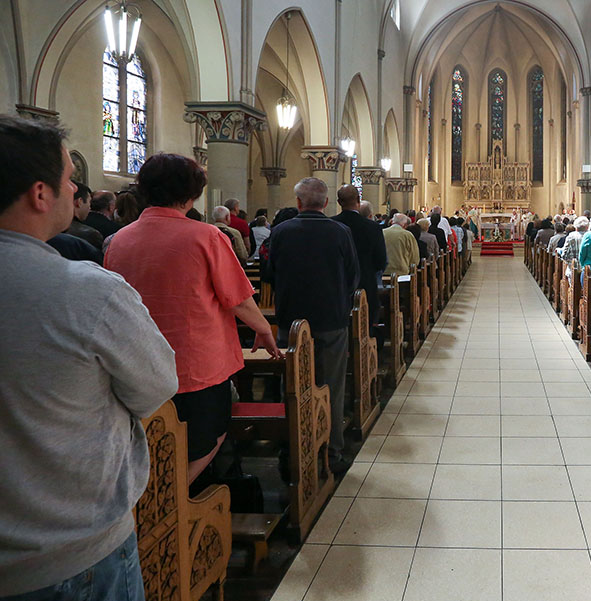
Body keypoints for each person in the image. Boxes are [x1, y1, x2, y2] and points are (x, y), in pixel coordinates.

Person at [0, 115, 177, 601]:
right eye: (70, 177)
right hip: (70, 554)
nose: (78, 188)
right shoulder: (85, 290)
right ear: (39, 192)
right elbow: (155, 386)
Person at [106, 154, 281, 485]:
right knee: (205, 438)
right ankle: (172, 504)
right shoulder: (206, 236)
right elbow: (238, 299)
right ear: (193, 193)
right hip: (195, 363)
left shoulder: (119, 240)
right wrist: (264, 330)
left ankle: (157, 501)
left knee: (151, 446)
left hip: (137, 364)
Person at [264, 178, 359, 469]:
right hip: (331, 320)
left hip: (290, 322)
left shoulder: (280, 232)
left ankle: (292, 447)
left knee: (291, 383)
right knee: (331, 384)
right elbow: (353, 276)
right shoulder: (340, 232)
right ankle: (331, 451)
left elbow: (269, 274)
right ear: (326, 203)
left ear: (298, 203)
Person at [333, 185, 388, 333]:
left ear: (339, 202)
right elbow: (381, 261)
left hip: (337, 288)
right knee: (365, 329)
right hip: (366, 285)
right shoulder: (373, 228)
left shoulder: (332, 225)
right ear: (358, 199)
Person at [66, 182, 103, 250]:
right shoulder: (90, 234)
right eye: (89, 202)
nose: (90, 207)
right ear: (79, 202)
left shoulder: (51, 229)